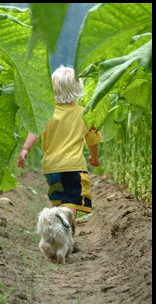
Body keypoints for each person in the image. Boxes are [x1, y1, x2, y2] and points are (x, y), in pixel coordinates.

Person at [17, 65, 102, 220]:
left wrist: (25, 149)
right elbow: (92, 140)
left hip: (51, 169)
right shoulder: (84, 114)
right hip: (74, 168)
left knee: (58, 203)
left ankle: (56, 233)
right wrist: (94, 158)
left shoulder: (47, 113)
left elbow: (35, 130)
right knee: (72, 203)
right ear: (78, 89)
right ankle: (66, 234)